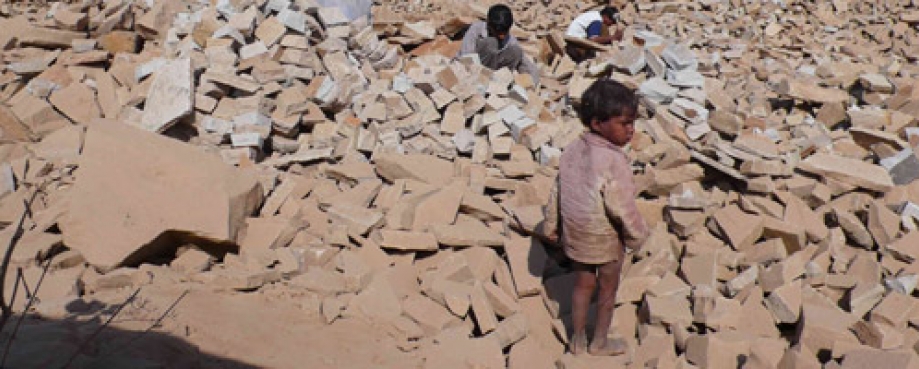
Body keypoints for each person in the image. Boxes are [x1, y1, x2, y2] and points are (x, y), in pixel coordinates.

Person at [541, 79, 649, 356]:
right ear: (597, 123)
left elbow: (558, 189)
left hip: (576, 233)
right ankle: (599, 342)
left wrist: (551, 226)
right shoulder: (614, 160)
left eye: (632, 123)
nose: (630, 130)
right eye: (623, 123)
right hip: (604, 238)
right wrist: (637, 236)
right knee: (607, 288)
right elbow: (621, 206)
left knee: (582, 284)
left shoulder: (572, 150)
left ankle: (576, 339)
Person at [458, 4, 540, 83]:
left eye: (505, 32)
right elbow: (466, 55)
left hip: (495, 77)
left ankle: (499, 83)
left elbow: (526, 65)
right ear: (489, 25)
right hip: (472, 71)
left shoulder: (510, 40)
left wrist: (532, 85)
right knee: (491, 42)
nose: (502, 37)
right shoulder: (476, 29)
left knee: (516, 51)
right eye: (498, 33)